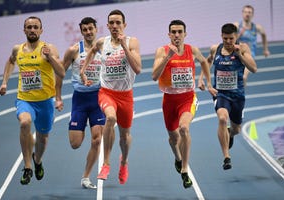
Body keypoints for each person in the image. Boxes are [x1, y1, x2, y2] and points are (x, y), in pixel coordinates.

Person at [0, 16, 65, 185]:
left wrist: (50, 58)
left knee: (42, 138)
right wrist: (4, 82)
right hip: (25, 99)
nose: (32, 30)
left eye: (36, 27)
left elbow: (62, 72)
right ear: (24, 30)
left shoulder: (49, 48)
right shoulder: (17, 49)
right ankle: (27, 167)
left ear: (41, 30)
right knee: (25, 123)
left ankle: (37, 161)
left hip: (45, 101)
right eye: (29, 27)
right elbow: (10, 61)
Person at [152, 19, 216, 189]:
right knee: (173, 138)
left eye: (180, 32)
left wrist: (208, 82)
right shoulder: (162, 51)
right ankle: (178, 159)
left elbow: (204, 61)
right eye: (173, 32)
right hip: (169, 101)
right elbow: (154, 76)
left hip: (188, 98)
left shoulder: (191, 50)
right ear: (169, 35)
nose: (177, 35)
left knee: (184, 128)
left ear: (185, 34)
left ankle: (185, 169)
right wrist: (168, 58)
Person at [80, 9, 141, 185]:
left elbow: (137, 69)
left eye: (118, 23)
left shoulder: (132, 42)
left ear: (124, 25)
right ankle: (106, 163)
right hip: (107, 93)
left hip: (126, 95)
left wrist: (124, 47)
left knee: (125, 136)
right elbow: (91, 52)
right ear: (107, 26)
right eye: (111, 23)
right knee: (110, 118)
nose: (115, 26)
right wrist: (83, 71)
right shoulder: (101, 42)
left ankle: (123, 161)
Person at [55, 17, 105, 189]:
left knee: (97, 140)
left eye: (91, 28)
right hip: (80, 100)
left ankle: (85, 177)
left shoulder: (105, 49)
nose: (89, 32)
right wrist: (58, 97)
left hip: (99, 99)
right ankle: (80, 126)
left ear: (96, 29)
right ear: (81, 31)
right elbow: (60, 73)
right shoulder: (74, 50)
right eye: (85, 29)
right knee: (75, 144)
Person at [199, 23, 257, 170]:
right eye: (225, 39)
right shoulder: (216, 49)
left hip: (237, 95)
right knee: (223, 118)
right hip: (221, 94)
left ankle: (230, 134)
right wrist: (203, 80)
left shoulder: (243, 48)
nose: (228, 42)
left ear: (236, 36)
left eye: (231, 38)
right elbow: (207, 62)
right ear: (221, 37)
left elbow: (253, 68)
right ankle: (226, 157)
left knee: (237, 129)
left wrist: (239, 56)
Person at [234, 4, 269, 85]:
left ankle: (242, 87)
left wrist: (265, 49)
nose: (247, 14)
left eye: (249, 12)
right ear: (242, 13)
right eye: (246, 12)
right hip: (238, 53)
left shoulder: (257, 27)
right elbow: (231, 39)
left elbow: (264, 35)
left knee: (243, 75)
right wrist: (240, 33)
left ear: (252, 14)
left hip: (249, 54)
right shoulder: (236, 26)